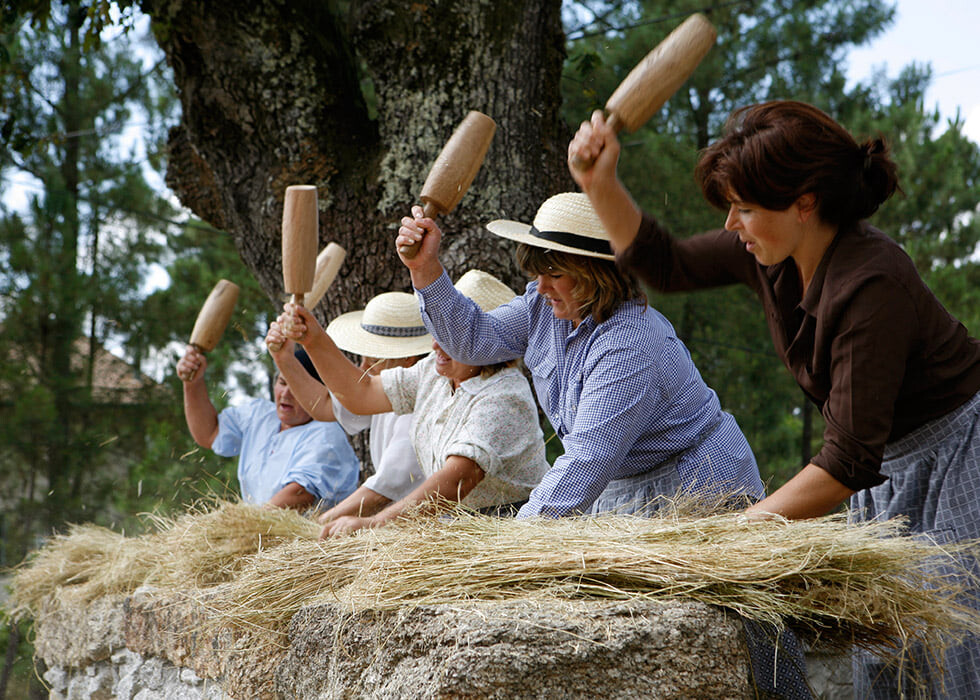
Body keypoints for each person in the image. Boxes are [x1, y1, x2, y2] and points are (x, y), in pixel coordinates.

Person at [568, 100, 980, 698]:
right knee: (888, 659)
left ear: (805, 202)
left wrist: (738, 531)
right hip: (886, 471)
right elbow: (670, 263)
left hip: (958, 457)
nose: (732, 224)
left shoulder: (873, 284)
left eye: (745, 208)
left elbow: (845, 462)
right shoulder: (771, 254)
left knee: (955, 656)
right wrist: (599, 182)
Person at [396, 191, 766, 519]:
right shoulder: (542, 307)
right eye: (538, 272)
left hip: (697, 491)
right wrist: (425, 268)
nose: (540, 286)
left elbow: (586, 461)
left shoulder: (629, 345)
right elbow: (473, 342)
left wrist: (509, 545)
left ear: (594, 273)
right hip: (624, 488)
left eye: (554, 273)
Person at [266, 270, 551, 538]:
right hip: (461, 529)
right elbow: (361, 393)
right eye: (437, 333)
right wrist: (312, 338)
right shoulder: (433, 372)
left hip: (512, 529)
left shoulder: (504, 395)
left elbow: (457, 480)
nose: (436, 345)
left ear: (484, 344)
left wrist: (372, 523)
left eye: (450, 336)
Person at [278, 291, 428, 525]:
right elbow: (325, 406)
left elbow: (384, 490)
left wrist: (314, 526)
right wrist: (283, 358)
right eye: (362, 357)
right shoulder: (385, 390)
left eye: (374, 358)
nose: (363, 367)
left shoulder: (422, 402)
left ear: (409, 359)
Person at [177, 344, 360, 509]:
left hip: (303, 541)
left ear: (318, 392)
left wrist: (244, 527)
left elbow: (299, 495)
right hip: (259, 533)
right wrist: (192, 384)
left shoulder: (327, 435)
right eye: (282, 382)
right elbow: (209, 433)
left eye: (296, 386)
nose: (286, 394)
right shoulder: (259, 415)